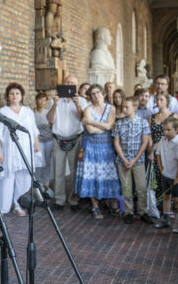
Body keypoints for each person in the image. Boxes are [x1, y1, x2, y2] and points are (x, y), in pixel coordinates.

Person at [0, 83, 41, 216]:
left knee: (24, 179)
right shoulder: (2, 112)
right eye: (11, 94)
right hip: (9, 150)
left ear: (21, 96)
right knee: (7, 179)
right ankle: (3, 208)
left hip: (26, 148)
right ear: (7, 96)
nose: (14, 96)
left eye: (17, 94)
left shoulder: (28, 111)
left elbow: (33, 130)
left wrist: (36, 144)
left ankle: (19, 205)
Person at [76, 84, 120, 219]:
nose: (96, 96)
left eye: (98, 92)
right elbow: (90, 130)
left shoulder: (111, 108)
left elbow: (110, 125)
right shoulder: (87, 109)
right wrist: (105, 127)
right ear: (90, 96)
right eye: (93, 94)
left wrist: (91, 122)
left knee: (110, 174)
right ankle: (95, 206)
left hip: (107, 146)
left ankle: (112, 204)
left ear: (102, 93)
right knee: (92, 175)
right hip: (90, 147)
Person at [46, 75, 87, 212]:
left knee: (75, 171)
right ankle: (59, 200)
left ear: (76, 86)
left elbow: (83, 119)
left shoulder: (82, 101)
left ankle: (74, 200)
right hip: (58, 139)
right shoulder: (56, 100)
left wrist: (77, 105)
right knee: (58, 171)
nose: (69, 85)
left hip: (76, 139)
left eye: (72, 83)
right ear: (63, 84)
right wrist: (55, 105)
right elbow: (49, 119)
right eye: (67, 82)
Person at [113, 96, 153, 224]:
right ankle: (129, 212)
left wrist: (135, 159)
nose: (124, 109)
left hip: (138, 160)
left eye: (127, 107)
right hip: (123, 160)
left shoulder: (143, 122)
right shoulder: (119, 123)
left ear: (134, 108)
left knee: (141, 187)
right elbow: (116, 142)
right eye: (123, 107)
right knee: (127, 187)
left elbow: (145, 142)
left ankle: (143, 211)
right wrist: (123, 158)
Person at [154, 116, 178, 234]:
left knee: (177, 199)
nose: (165, 132)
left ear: (176, 130)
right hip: (166, 174)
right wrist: (161, 168)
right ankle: (166, 219)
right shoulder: (163, 140)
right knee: (166, 197)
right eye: (164, 130)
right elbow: (158, 153)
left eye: (168, 130)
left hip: (174, 176)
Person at [148, 91, 178, 203]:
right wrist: (151, 150)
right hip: (155, 150)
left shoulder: (173, 115)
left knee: (168, 176)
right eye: (157, 100)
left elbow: (175, 134)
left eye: (161, 100)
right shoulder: (151, 117)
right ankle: (156, 203)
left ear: (167, 101)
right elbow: (149, 135)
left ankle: (168, 203)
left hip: (168, 149)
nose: (158, 102)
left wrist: (160, 144)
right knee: (156, 176)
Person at [34, 91, 53, 186]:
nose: (42, 102)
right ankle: (38, 183)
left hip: (49, 141)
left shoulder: (48, 113)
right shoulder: (31, 113)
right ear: (36, 100)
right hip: (38, 141)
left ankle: (46, 184)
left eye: (44, 100)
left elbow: (52, 126)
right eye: (40, 99)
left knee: (47, 163)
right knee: (39, 163)